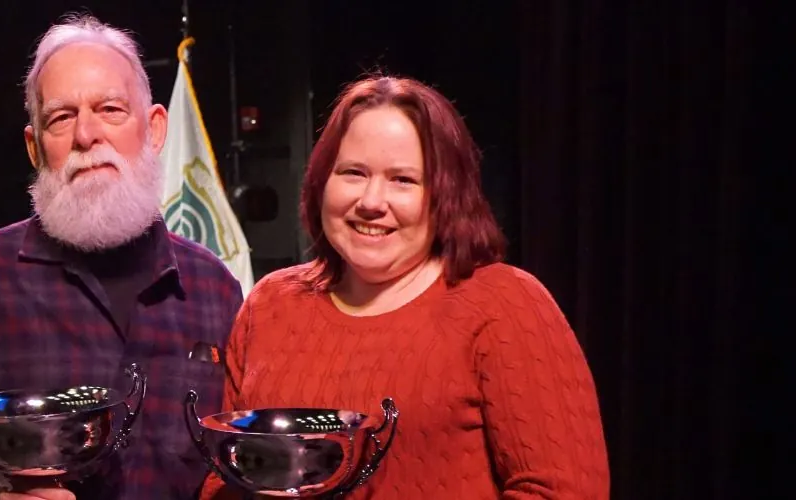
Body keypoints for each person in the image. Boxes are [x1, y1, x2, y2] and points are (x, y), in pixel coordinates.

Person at [198, 75, 609, 499]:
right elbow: (225, 473)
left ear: (447, 195)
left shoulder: (505, 305)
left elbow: (564, 491)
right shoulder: (270, 304)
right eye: (354, 173)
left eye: (403, 180)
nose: (372, 202)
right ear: (321, 181)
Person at [0, 14, 245, 500]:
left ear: (155, 128)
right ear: (34, 147)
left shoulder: (215, 287)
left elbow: (237, 457)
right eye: (61, 117)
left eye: (110, 109)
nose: (86, 135)